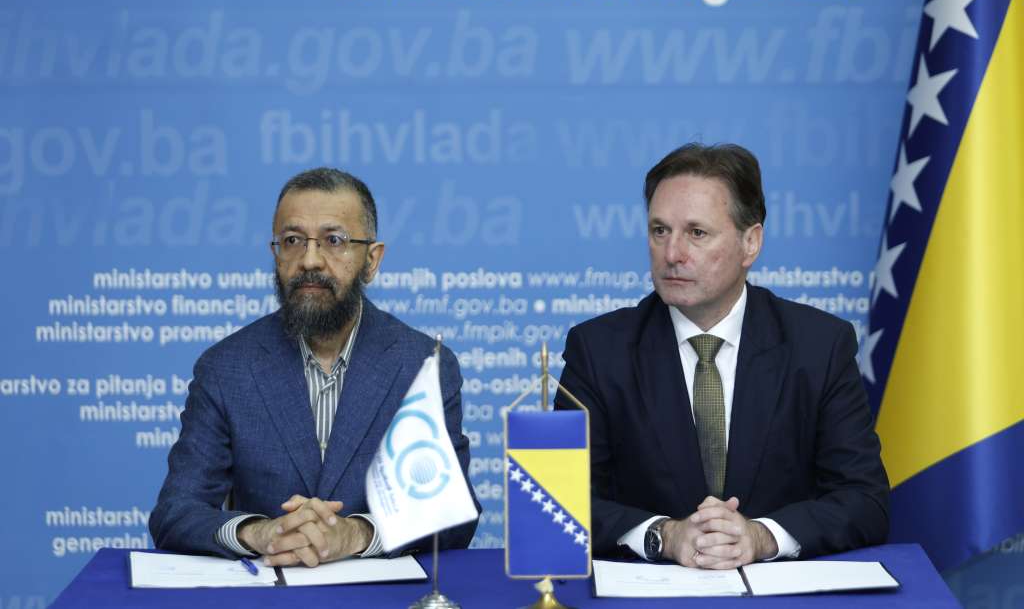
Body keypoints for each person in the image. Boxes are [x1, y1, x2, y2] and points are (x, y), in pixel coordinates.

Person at [554, 143, 888, 569]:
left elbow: (864, 501)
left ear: (751, 242)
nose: (672, 254)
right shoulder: (599, 352)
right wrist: (664, 535)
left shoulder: (819, 347)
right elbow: (561, 503)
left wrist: (762, 537)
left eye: (697, 233)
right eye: (660, 231)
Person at [150, 168, 478, 566]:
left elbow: (453, 515)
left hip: (382, 593)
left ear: (372, 260)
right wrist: (259, 533)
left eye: (333, 241)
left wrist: (356, 534)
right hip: (270, 588)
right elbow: (176, 512)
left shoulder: (422, 365)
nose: (309, 260)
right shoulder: (227, 368)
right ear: (276, 254)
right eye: (292, 241)